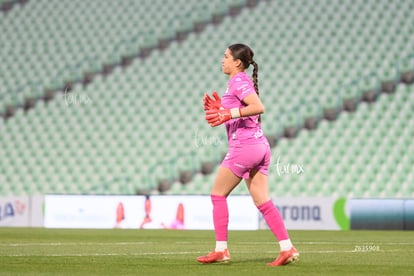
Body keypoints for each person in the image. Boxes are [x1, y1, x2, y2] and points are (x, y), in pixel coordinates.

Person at [197, 43, 299, 266]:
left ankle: (221, 250)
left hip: (244, 147)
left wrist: (228, 112)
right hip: (259, 145)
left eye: (225, 56)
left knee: (217, 195)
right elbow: (236, 112)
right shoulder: (235, 82)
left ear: (237, 63)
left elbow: (258, 106)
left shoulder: (239, 80)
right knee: (263, 201)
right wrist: (219, 108)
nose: (222, 60)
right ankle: (286, 248)